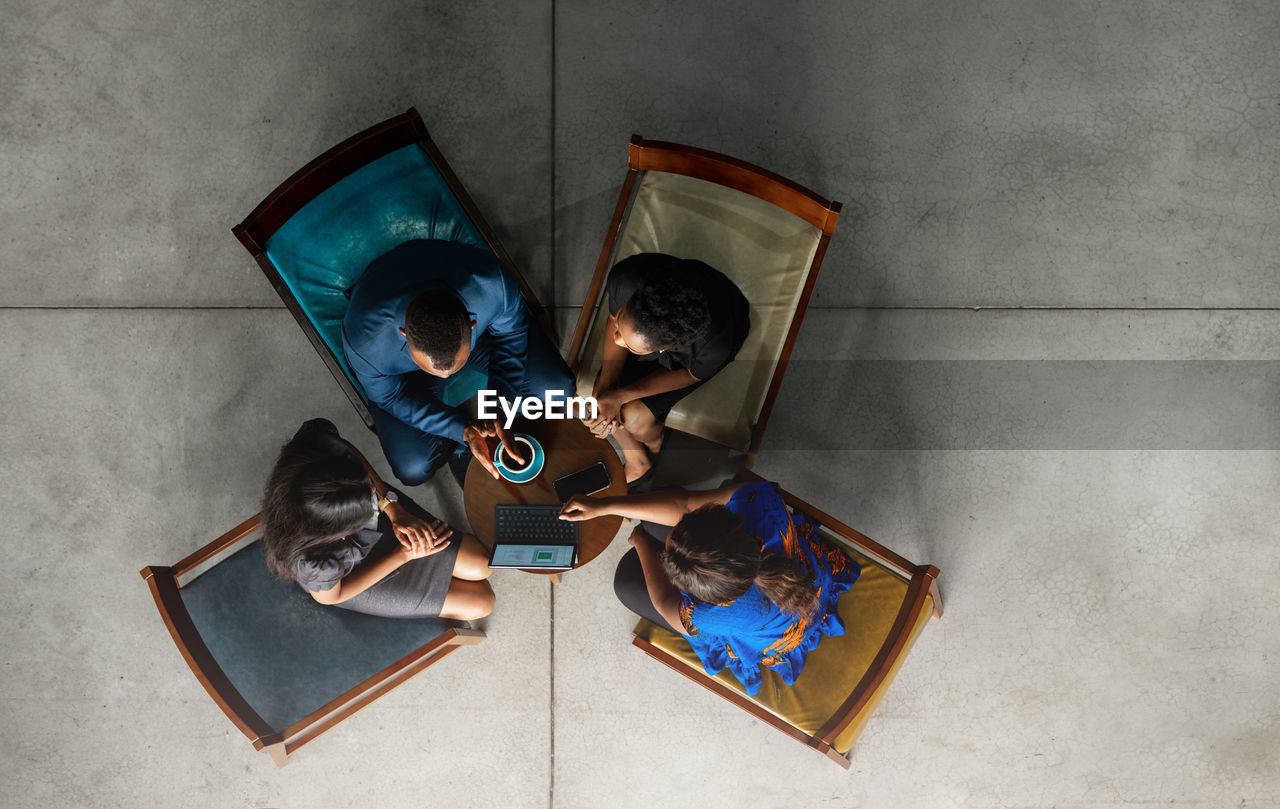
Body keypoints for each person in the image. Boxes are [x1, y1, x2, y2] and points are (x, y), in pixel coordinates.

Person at [559, 480, 859, 696]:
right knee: (653, 526)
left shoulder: (713, 616)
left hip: (781, 632)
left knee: (627, 579)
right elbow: (686, 506)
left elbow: (665, 601)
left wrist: (640, 541)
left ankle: (646, 539)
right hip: (806, 582)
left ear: (711, 600)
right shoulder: (762, 503)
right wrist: (604, 506)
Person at [343, 239, 574, 486]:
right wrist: (460, 429)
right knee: (413, 468)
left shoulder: (491, 284)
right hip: (407, 375)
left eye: (454, 368)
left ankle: (501, 415)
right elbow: (389, 397)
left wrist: (500, 403)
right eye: (438, 372)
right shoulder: (365, 341)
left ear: (472, 324)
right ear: (403, 333)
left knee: (558, 389)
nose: (447, 378)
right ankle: (453, 438)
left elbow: (511, 334)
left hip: (477, 338)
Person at [260, 418, 495, 620]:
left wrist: (392, 507)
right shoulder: (314, 564)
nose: (374, 496)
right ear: (339, 531)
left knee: (484, 564)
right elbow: (333, 597)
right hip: (356, 574)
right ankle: (426, 601)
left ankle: (434, 590)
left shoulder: (313, 450)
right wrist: (403, 555)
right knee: (483, 602)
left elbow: (351, 458)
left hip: (377, 515)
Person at [583, 253, 750, 486]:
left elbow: (688, 375)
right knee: (601, 398)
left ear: (662, 350)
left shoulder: (714, 345)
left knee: (635, 418)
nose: (616, 340)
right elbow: (614, 323)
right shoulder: (626, 278)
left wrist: (621, 395)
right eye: (621, 325)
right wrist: (606, 387)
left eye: (628, 345)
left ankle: (654, 445)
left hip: (694, 358)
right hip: (673, 304)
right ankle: (637, 460)